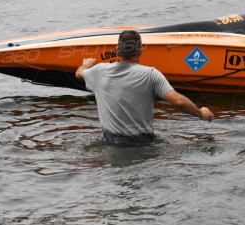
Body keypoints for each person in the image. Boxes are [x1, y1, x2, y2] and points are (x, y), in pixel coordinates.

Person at [75, 30, 214, 146]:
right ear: (141, 50)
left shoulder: (99, 71)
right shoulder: (151, 74)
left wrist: (86, 65)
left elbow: (79, 74)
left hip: (112, 144)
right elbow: (179, 102)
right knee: (204, 141)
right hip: (143, 144)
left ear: (117, 50)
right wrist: (201, 113)